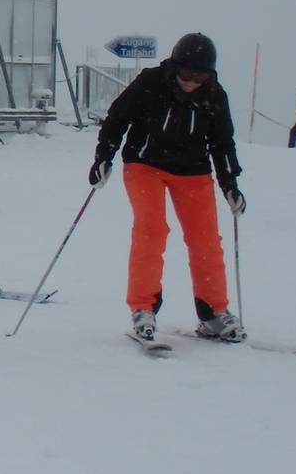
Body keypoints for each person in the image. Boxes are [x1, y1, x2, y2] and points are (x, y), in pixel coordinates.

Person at [90, 32, 245, 342]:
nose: (191, 82)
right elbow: (117, 118)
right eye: (186, 73)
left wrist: (230, 184)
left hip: (193, 170)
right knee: (152, 228)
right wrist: (103, 157)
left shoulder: (214, 96)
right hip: (145, 164)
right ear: (174, 68)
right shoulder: (151, 82)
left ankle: (213, 311)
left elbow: (222, 142)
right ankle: (143, 308)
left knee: (205, 238)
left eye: (199, 75)